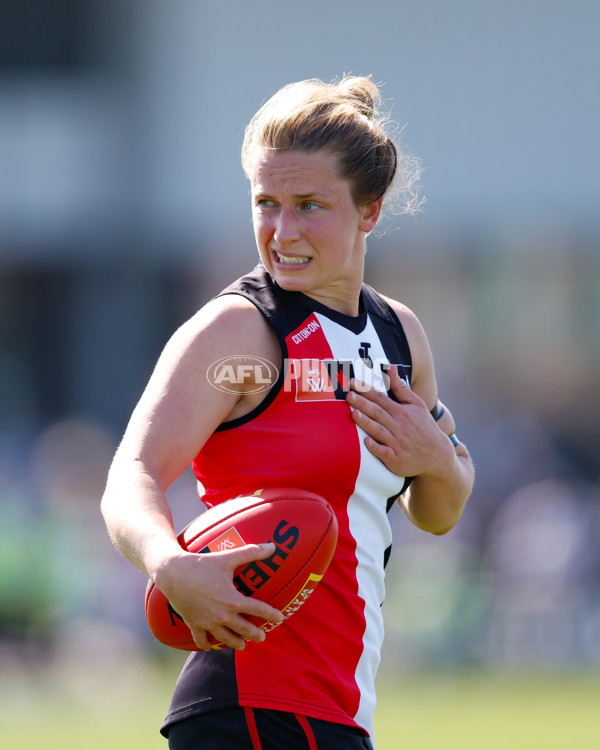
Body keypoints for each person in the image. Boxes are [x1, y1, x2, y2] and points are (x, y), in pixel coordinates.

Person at [101, 75, 474, 750]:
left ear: (370, 211)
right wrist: (168, 563)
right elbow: (132, 474)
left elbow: (438, 511)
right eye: (265, 203)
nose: (282, 231)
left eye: (309, 205)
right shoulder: (237, 334)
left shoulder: (399, 335)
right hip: (244, 709)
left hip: (341, 711)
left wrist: (435, 461)